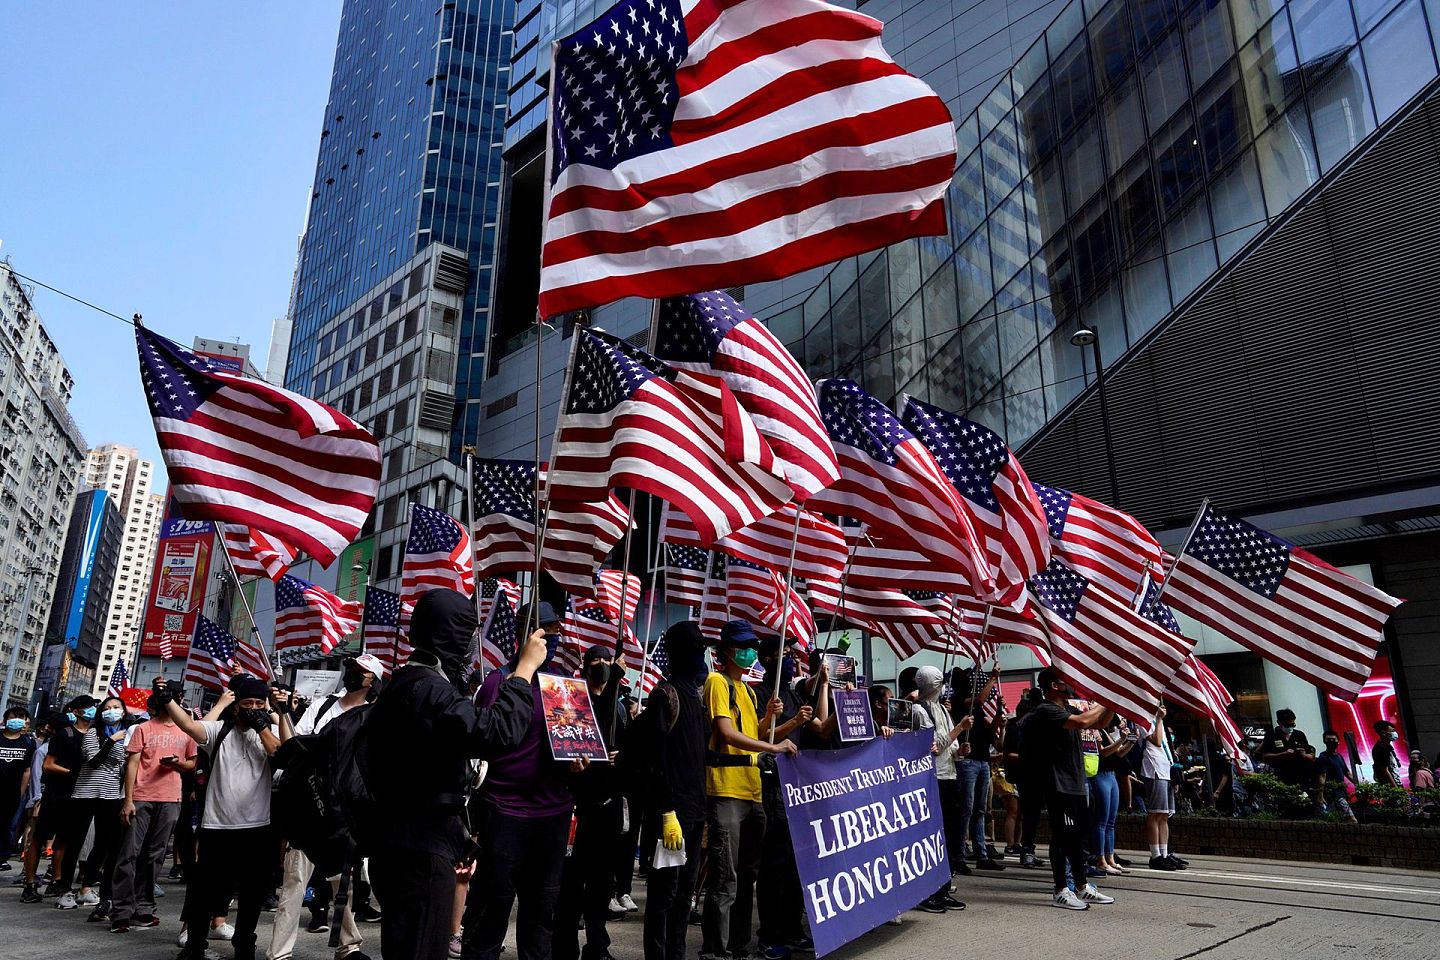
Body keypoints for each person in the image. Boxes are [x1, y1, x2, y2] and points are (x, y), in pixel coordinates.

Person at [367, 587, 546, 960]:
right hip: (419, 852)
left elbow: (429, 770)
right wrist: (523, 672)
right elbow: (496, 732)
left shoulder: (405, 682)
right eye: (465, 636)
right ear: (447, 635)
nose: (469, 647)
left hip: (402, 842)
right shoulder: (427, 689)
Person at [161, 674, 292, 960]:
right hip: (217, 826)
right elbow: (189, 726)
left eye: (259, 703)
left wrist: (273, 717)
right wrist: (168, 700)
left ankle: (244, 944)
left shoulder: (266, 735)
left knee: (252, 894)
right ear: (236, 706)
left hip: (257, 827)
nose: (254, 708)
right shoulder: (219, 732)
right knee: (205, 891)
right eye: (248, 703)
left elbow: (284, 752)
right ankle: (195, 944)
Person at [268, 654, 387, 960]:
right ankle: (279, 952)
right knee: (294, 880)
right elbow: (297, 744)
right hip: (308, 804)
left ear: (372, 680)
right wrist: (283, 714)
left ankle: (348, 947)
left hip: (343, 813)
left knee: (340, 882)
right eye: (351, 668)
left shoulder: (374, 716)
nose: (352, 674)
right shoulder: (323, 705)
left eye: (360, 671)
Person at [698, 621, 796, 960]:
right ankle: (715, 949)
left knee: (746, 879)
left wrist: (777, 722)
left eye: (753, 645)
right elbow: (726, 733)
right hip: (726, 791)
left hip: (753, 793)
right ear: (726, 650)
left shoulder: (750, 691)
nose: (750, 651)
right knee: (725, 877)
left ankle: (737, 945)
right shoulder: (717, 682)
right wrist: (773, 748)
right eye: (743, 645)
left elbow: (756, 734)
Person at [638, 622, 709, 960]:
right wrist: (667, 813)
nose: (702, 653)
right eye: (696, 646)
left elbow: (702, 755)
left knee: (684, 896)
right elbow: (658, 759)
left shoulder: (695, 697)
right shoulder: (664, 695)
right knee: (664, 894)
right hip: (672, 816)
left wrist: (753, 757)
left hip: (695, 814)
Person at [554, 643, 628, 960]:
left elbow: (628, 747)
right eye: (594, 660)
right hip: (577, 805)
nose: (600, 664)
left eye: (605, 660)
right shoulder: (573, 701)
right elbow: (578, 735)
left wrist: (620, 757)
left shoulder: (621, 708)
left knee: (601, 884)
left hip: (608, 805)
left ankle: (597, 947)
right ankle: (564, 948)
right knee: (570, 886)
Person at [755, 636, 823, 960]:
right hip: (772, 786)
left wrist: (823, 685)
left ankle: (793, 928)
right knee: (775, 865)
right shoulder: (761, 693)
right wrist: (793, 721)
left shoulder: (795, 693)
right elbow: (760, 737)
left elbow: (819, 729)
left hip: (798, 788)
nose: (791, 658)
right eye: (784, 652)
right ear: (769, 659)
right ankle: (769, 935)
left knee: (799, 864)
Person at [109, 688, 199, 933]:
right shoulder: (143, 728)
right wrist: (128, 800)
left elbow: (192, 762)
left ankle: (144, 907)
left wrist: (178, 764)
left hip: (171, 798)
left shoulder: (186, 730)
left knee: (155, 856)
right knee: (129, 854)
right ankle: (121, 911)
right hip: (141, 797)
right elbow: (132, 764)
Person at [1026, 667, 1115, 910]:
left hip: (1076, 782)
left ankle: (1082, 886)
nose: (1071, 683)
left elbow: (1098, 722)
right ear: (1054, 686)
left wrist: (1113, 703)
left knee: (1077, 837)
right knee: (1062, 837)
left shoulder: (1067, 709)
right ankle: (1060, 889)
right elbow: (1083, 721)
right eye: (1065, 680)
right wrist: (1108, 697)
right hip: (1058, 784)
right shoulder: (1046, 710)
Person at [909, 664, 971, 913]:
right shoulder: (918, 711)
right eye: (940, 682)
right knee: (933, 837)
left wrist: (961, 750)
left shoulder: (942, 711)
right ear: (934, 685)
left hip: (949, 776)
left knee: (950, 837)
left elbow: (951, 747)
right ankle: (929, 892)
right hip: (931, 779)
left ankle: (944, 888)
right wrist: (960, 730)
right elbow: (933, 746)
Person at [952, 665, 1003, 870]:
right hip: (968, 762)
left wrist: (999, 713)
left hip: (983, 761)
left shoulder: (978, 710)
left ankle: (981, 854)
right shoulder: (957, 703)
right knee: (966, 808)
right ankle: (960, 854)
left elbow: (991, 733)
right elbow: (978, 700)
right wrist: (992, 678)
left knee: (980, 810)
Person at [1089, 719, 1134, 876]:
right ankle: (1100, 860)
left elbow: (1119, 753)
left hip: (1111, 775)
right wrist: (1122, 739)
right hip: (1100, 775)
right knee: (1101, 820)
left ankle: (1110, 858)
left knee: (1111, 821)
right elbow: (1104, 752)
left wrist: (1130, 742)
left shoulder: (1105, 732)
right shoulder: (1093, 731)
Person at [1, 707, 37, 873]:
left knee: (8, 826)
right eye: (14, 717)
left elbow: (27, 770)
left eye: (21, 718)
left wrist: (21, 792)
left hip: (13, 793)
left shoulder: (28, 743)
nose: (17, 720)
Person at [1261, 709, 1312, 787]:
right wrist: (1284, 754)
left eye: (1292, 725)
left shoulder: (1299, 735)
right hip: (1280, 776)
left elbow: (1311, 756)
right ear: (1279, 723)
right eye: (1287, 725)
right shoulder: (1271, 735)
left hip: (1300, 775)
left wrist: (1304, 755)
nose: (1290, 728)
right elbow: (1265, 756)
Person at [1315, 730, 1356, 822]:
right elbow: (1322, 777)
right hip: (1333, 794)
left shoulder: (1339, 756)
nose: (1331, 742)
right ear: (1324, 741)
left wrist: (1359, 784)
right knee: (1351, 819)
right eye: (1328, 740)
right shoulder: (1323, 758)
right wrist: (1320, 795)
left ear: (1338, 741)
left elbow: (1347, 773)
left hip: (1342, 792)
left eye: (1333, 739)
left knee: (1339, 820)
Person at [1372, 720, 1403, 787]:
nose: (1394, 733)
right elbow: (1385, 770)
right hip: (1391, 787)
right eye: (1392, 731)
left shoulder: (1388, 747)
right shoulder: (1381, 748)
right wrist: (1396, 788)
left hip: (1395, 784)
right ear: (1383, 733)